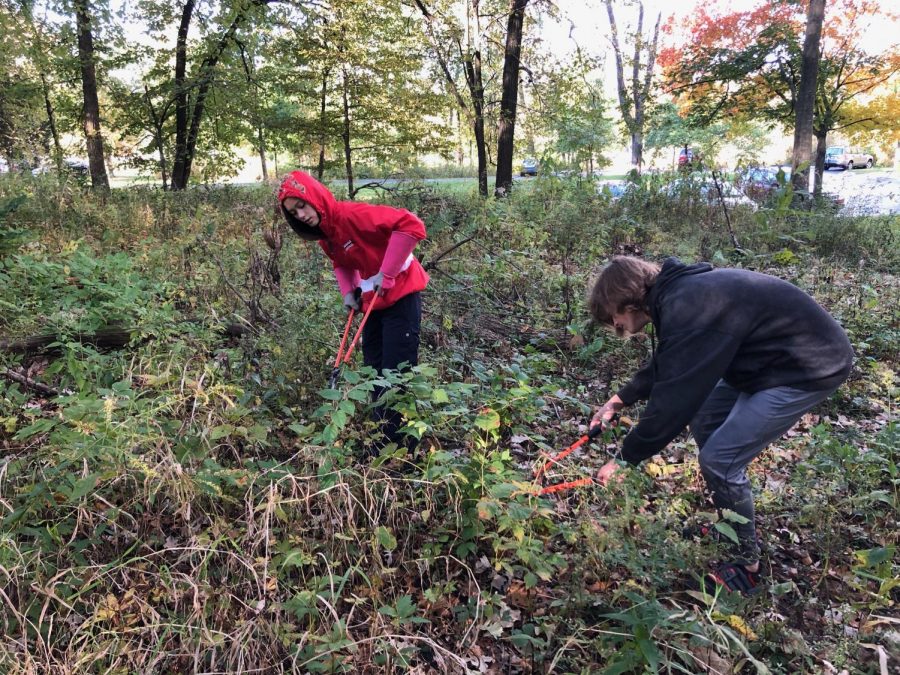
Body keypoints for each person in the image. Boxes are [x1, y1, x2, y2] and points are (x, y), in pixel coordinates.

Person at [587, 256, 853, 595]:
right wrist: (620, 399)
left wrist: (626, 458)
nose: (615, 324)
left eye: (612, 316)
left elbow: (676, 398)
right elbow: (672, 361)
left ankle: (746, 566)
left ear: (623, 300)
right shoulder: (677, 296)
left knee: (719, 459)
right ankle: (732, 519)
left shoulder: (688, 303)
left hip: (808, 366)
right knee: (707, 418)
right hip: (763, 360)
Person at [277, 170, 429, 453]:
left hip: (402, 297)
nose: (301, 215)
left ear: (314, 197)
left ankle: (403, 449)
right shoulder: (326, 234)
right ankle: (380, 440)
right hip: (374, 302)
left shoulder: (352, 215)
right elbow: (341, 261)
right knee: (373, 370)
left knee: (396, 372)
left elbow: (411, 225)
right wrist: (348, 291)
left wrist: (388, 272)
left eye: (302, 205)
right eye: (293, 213)